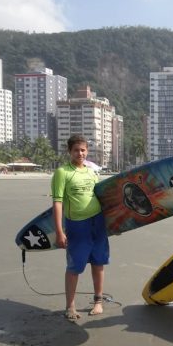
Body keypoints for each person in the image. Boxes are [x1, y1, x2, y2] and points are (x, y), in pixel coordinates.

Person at [52, 134, 109, 321]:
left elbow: (102, 197)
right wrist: (60, 231)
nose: (80, 153)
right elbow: (58, 203)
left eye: (83, 150)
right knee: (75, 266)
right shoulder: (62, 173)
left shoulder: (92, 172)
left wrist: (114, 224)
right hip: (77, 225)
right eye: (76, 150)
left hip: (98, 222)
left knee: (99, 261)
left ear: (87, 151)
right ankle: (70, 306)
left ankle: (98, 302)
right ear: (69, 151)